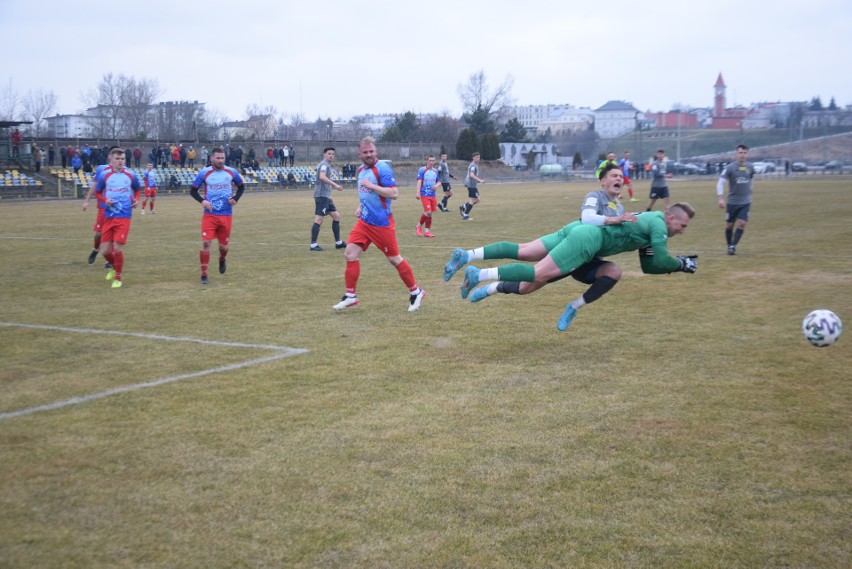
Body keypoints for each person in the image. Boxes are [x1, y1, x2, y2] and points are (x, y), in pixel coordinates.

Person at [444, 201, 697, 330]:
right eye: (682, 225)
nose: (681, 231)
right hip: (584, 244)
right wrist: (681, 264)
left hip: (585, 243)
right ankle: (480, 275)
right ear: (671, 217)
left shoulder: (650, 223)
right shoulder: (658, 224)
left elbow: (652, 265)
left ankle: (473, 264)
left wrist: (676, 265)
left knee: (526, 268)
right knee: (533, 277)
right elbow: (663, 259)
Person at [333, 137, 425, 312]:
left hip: (381, 224)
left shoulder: (382, 168)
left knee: (394, 259)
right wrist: (360, 207)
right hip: (364, 222)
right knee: (350, 254)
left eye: (371, 152)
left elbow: (394, 193)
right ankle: (350, 295)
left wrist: (373, 186)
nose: (369, 155)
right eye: (365, 152)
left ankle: (416, 292)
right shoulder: (361, 170)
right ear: (359, 154)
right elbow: (365, 194)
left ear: (376, 152)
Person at [189, 147, 246, 285]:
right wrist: (202, 201)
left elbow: (241, 186)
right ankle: (204, 274)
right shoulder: (204, 173)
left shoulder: (231, 172)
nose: (221, 160)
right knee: (206, 243)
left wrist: (235, 198)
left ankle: (222, 258)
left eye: (223, 158)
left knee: (223, 247)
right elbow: (193, 191)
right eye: (218, 158)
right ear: (212, 159)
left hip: (226, 214)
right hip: (210, 215)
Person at [94, 147, 142, 288]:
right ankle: (115, 267)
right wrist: (105, 200)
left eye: (122, 159)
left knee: (117, 248)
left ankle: (118, 278)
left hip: (124, 216)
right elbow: (98, 193)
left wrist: (136, 200)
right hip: (108, 216)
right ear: (111, 159)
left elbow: (138, 189)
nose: (120, 161)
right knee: (105, 250)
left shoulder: (130, 175)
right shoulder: (105, 175)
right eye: (117, 159)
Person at [717, 144, 755, 255]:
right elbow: (720, 183)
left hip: (745, 202)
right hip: (732, 202)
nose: (742, 155)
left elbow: (751, 180)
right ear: (736, 154)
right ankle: (730, 245)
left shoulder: (750, 167)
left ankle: (733, 246)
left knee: (742, 223)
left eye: (744, 153)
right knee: (729, 225)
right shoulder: (729, 168)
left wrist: (751, 192)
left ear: (747, 154)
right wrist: (720, 198)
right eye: (740, 153)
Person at [310, 146, 346, 251]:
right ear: (324, 154)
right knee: (319, 219)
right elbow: (322, 177)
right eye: (329, 153)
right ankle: (313, 245)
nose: (331, 155)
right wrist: (335, 185)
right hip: (321, 196)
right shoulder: (324, 165)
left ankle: (338, 243)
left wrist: (329, 196)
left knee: (336, 216)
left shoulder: (326, 165)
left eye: (333, 154)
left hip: (326, 196)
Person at [415, 155, 441, 237]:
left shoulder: (435, 171)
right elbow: (419, 181)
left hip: (433, 195)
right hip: (424, 194)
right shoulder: (422, 170)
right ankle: (419, 226)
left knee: (430, 213)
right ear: (427, 161)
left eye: (433, 161)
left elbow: (439, 182)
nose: (432, 162)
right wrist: (417, 192)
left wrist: (436, 186)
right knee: (428, 211)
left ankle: (427, 232)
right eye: (430, 160)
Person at [459, 152, 485, 221]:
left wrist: (479, 181)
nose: (477, 159)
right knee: (473, 199)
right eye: (476, 157)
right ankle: (465, 215)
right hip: (471, 185)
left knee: (477, 199)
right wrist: (480, 180)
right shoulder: (473, 165)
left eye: (478, 157)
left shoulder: (475, 165)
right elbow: (471, 175)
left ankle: (464, 206)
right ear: (473, 158)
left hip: (472, 184)